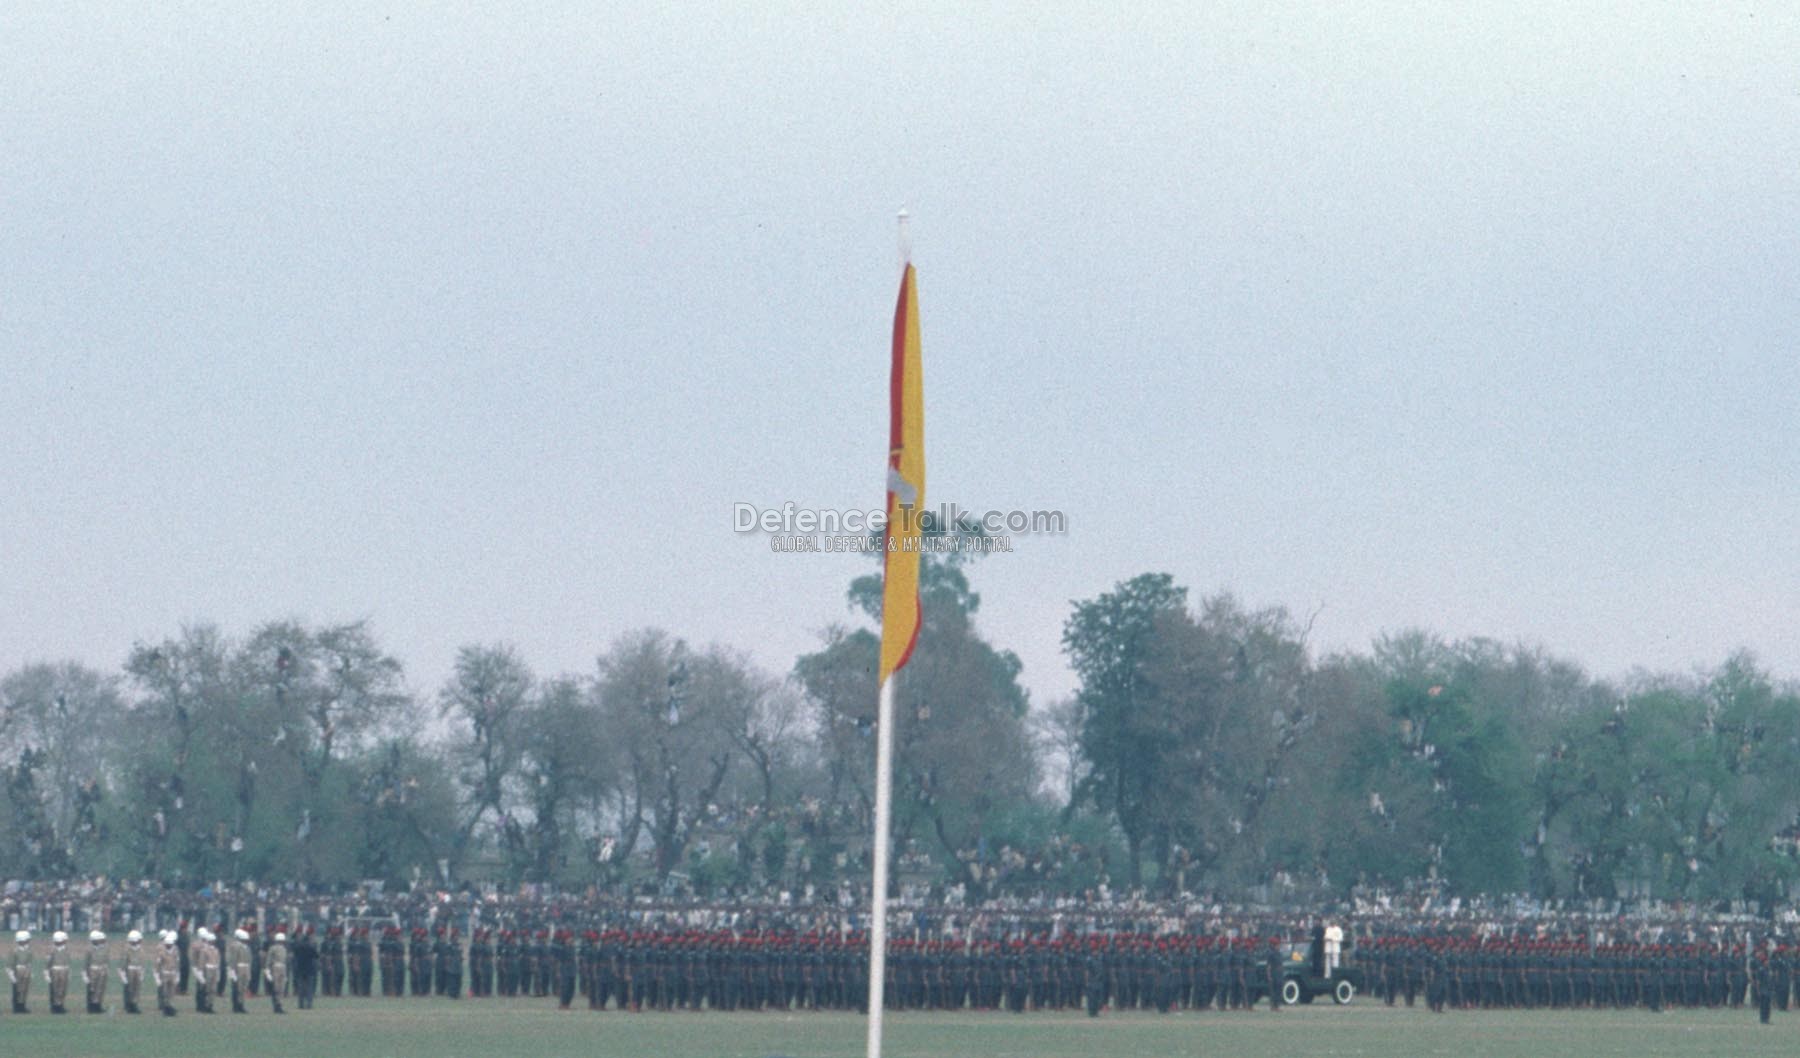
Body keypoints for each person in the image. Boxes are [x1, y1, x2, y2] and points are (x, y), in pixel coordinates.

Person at [227, 928, 252, 1013]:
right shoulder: (235, 946)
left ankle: (241, 1004)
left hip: (245, 968)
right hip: (238, 968)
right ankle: (236, 1006)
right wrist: (232, 971)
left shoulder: (246, 947)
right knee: (236, 988)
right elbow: (233, 960)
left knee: (243, 988)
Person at [191, 928, 216, 1013]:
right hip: (199, 967)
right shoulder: (197, 945)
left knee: (207, 988)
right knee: (200, 987)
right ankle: (200, 1005)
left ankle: (206, 1004)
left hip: (207, 968)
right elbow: (195, 957)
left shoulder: (206, 944)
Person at [47, 930, 72, 1014]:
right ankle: (54, 1007)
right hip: (54, 971)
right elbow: (48, 963)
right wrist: (47, 974)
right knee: (54, 989)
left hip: (64, 971)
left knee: (62, 989)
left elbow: (67, 962)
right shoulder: (52, 951)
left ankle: (60, 1005)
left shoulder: (66, 950)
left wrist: (68, 972)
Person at [120, 930, 145, 1014]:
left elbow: (142, 961)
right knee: (129, 989)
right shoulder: (127, 949)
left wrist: (142, 972)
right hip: (130, 971)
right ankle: (129, 1006)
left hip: (137, 970)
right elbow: (123, 963)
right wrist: (123, 975)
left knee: (137, 989)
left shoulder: (140, 949)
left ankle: (134, 1005)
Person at [84, 930, 109, 1013]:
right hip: (92, 971)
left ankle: (98, 1005)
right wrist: (85, 975)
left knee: (100, 989)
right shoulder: (89, 950)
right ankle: (91, 1007)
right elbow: (86, 963)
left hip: (101, 971)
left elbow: (105, 961)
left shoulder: (104, 949)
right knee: (92, 989)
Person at [156, 931, 180, 1016]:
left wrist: (177, 975)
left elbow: (177, 963)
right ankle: (166, 1009)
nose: (169, 945)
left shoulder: (175, 952)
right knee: (165, 992)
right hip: (165, 974)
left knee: (171, 992)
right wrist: (157, 977)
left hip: (172, 974)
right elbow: (158, 965)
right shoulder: (162, 953)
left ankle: (170, 1007)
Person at [265, 931, 289, 1013]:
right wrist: (267, 970)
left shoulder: (284, 949)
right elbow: (269, 959)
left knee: (282, 988)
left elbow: (285, 961)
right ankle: (276, 1005)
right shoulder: (273, 948)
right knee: (276, 987)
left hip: (283, 968)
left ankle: (280, 1004)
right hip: (275, 967)